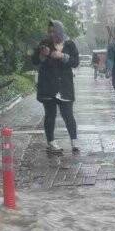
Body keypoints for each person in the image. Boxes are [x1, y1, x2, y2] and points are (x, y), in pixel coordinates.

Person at [32, 19, 80, 153]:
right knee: (50, 115)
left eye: (54, 31)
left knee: (68, 115)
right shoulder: (44, 44)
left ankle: (74, 140)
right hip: (48, 85)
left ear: (60, 30)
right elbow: (35, 60)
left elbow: (75, 62)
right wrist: (42, 54)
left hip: (65, 86)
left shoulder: (69, 45)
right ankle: (51, 142)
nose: (52, 34)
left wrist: (61, 56)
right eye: (50, 31)